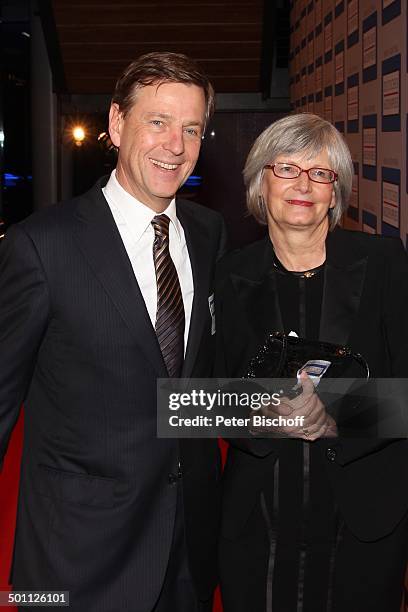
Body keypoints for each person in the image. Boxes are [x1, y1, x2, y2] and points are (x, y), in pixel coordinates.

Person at [0, 52, 226, 611]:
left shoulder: (208, 232)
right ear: (117, 123)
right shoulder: (40, 246)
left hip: (189, 551)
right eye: (158, 121)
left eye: (191, 128)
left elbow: (196, 394)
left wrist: (361, 407)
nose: (176, 145)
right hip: (73, 561)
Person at [215, 113, 408, 612]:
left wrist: (336, 417)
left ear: (335, 191)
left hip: (362, 523)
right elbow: (208, 395)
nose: (303, 184)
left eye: (320, 173)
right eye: (287, 168)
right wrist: (260, 415)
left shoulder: (385, 263)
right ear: (262, 181)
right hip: (257, 523)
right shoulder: (228, 275)